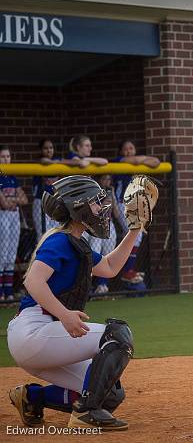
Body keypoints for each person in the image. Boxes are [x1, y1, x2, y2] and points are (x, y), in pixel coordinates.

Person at [6, 175, 146, 430]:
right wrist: (65, 314)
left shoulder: (76, 243)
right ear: (77, 206)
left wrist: (134, 230)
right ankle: (85, 412)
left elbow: (111, 267)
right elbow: (33, 281)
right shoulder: (59, 240)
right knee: (117, 335)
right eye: (94, 203)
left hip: (44, 336)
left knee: (108, 393)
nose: (100, 208)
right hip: (33, 330)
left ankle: (31, 397)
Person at [111, 140, 160, 290]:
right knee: (134, 233)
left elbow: (156, 162)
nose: (129, 151)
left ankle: (128, 270)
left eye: (131, 148)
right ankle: (127, 270)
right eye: (125, 149)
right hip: (121, 203)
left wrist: (140, 160)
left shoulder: (136, 162)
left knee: (136, 236)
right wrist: (140, 161)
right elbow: (135, 160)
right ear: (121, 152)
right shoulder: (120, 161)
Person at [32, 139, 82, 240]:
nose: (49, 150)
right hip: (40, 202)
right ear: (41, 150)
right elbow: (45, 161)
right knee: (42, 234)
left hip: (55, 203)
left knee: (55, 231)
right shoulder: (40, 162)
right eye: (45, 148)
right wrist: (61, 162)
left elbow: (76, 162)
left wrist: (61, 162)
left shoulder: (57, 162)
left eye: (51, 148)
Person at [0, 146, 29, 301]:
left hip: (14, 216)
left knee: (11, 254)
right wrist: (13, 201)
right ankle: (1, 293)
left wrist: (11, 200)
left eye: (8, 157)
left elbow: (24, 199)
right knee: (2, 254)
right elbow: (3, 204)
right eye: (3, 157)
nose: (6, 160)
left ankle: (8, 291)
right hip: (2, 215)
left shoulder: (12, 177)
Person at [86, 175, 120, 294]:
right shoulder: (93, 191)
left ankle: (102, 286)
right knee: (95, 254)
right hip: (95, 226)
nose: (107, 182)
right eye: (104, 179)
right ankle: (86, 285)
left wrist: (113, 198)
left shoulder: (110, 192)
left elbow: (116, 214)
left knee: (108, 256)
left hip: (109, 225)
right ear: (99, 180)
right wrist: (102, 204)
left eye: (109, 179)